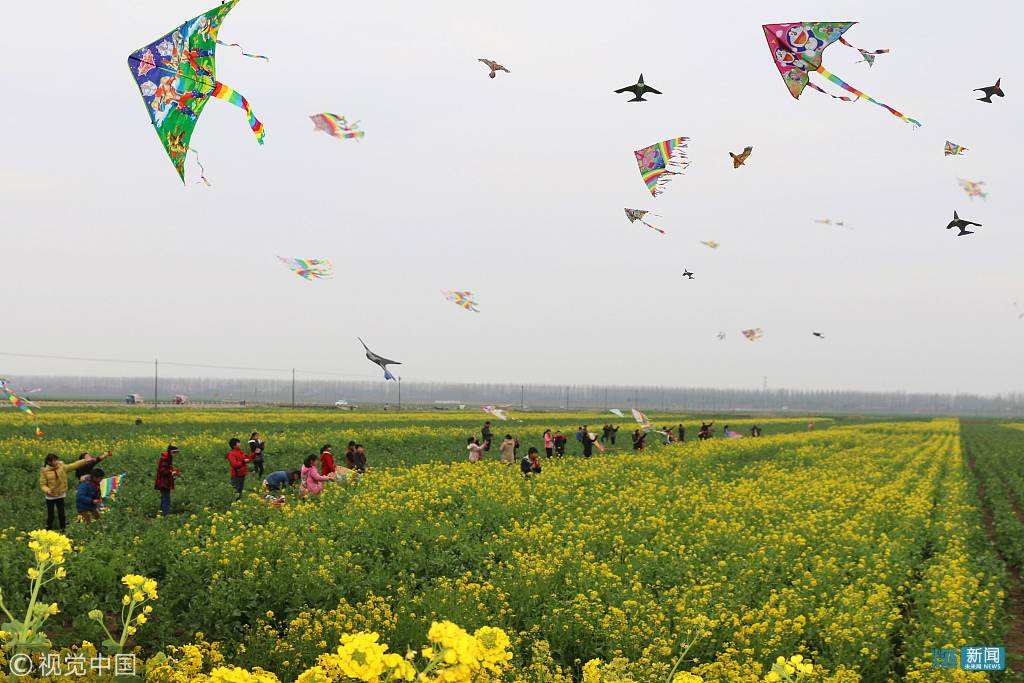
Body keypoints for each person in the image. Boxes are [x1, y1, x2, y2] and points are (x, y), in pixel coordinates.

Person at [39, 452, 98, 531]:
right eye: (53, 460)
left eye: (56, 459)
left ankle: (63, 529)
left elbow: (73, 465)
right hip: (50, 496)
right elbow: (43, 484)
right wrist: (47, 490)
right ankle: (48, 528)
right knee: (51, 514)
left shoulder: (61, 467)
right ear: (49, 462)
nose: (56, 462)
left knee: (61, 513)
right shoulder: (44, 471)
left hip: (60, 494)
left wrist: (84, 461)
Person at [154, 445, 181, 517]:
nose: (176, 455)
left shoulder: (168, 458)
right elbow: (162, 471)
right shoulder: (165, 459)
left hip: (165, 481)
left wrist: (173, 474)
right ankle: (166, 514)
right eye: (175, 453)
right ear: (172, 452)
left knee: (164, 497)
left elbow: (166, 470)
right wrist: (172, 473)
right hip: (163, 482)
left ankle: (161, 513)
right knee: (166, 498)